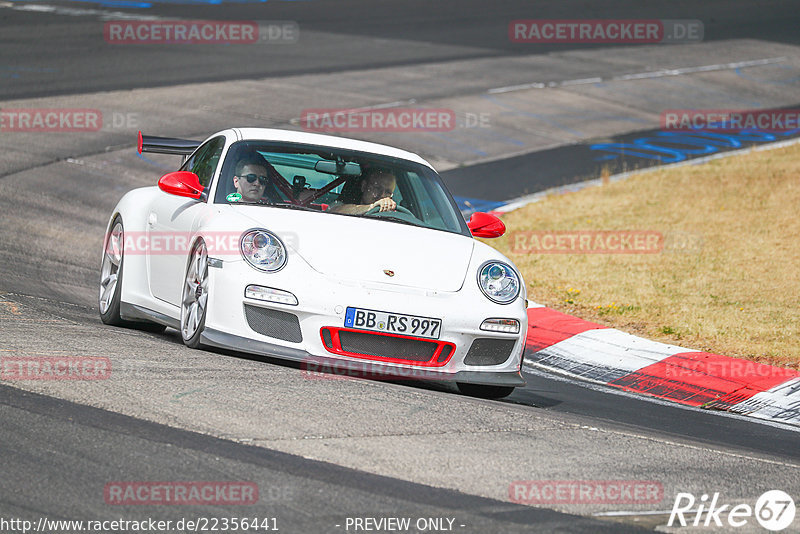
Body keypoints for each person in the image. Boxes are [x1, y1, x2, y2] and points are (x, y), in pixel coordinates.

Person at [330, 167, 397, 215]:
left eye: (388, 192)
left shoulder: (395, 215)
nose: (382, 195)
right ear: (364, 186)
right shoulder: (342, 206)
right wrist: (372, 207)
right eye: (377, 188)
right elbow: (333, 211)